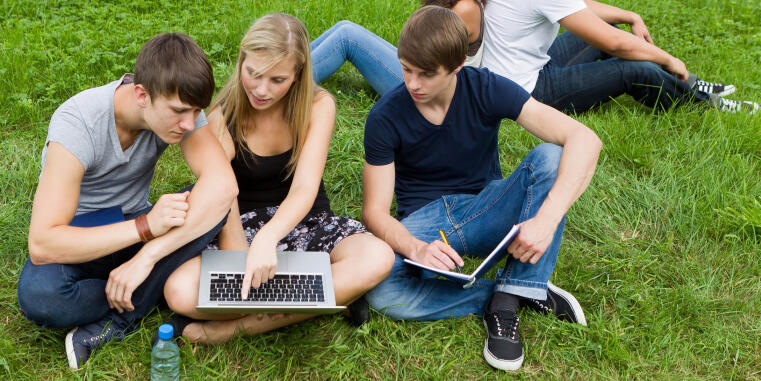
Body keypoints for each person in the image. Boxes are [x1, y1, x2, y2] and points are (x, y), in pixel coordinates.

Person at [362, 6, 601, 371]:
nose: (412, 83)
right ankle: (513, 291)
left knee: (552, 157)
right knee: (381, 291)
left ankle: (508, 299)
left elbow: (584, 139)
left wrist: (546, 221)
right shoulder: (384, 116)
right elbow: (374, 211)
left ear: (458, 65)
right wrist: (416, 248)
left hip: (488, 211)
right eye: (406, 68)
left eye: (426, 74)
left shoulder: (485, 87)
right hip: (428, 224)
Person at [159, 13, 395, 344]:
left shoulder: (318, 105)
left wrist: (269, 239)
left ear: (298, 74)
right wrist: (242, 257)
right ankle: (323, 299)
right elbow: (221, 193)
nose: (260, 89)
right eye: (252, 73)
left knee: (378, 258)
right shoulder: (222, 116)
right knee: (180, 292)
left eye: (277, 80)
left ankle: (227, 330)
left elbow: (304, 188)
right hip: (239, 222)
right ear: (242, 58)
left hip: (304, 220)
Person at [16, 33, 238, 369]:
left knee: (214, 204)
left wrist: (146, 257)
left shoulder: (180, 109)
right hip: (81, 233)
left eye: (196, 111)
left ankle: (119, 319)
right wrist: (146, 227)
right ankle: (155, 291)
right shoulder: (78, 122)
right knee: (41, 295)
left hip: (136, 230)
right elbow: (44, 242)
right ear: (141, 95)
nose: (189, 123)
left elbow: (223, 186)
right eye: (179, 111)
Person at [480, 0, 758, 113]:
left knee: (608, 30)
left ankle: (690, 84)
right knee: (632, 69)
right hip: (523, 92)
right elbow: (615, 44)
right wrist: (668, 58)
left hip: (522, 69)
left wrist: (630, 16)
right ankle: (705, 104)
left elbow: (580, 6)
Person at [310, 0, 487, 96]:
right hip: (422, 70)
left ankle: (294, 81)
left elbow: (429, 53)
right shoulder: (450, 3)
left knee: (348, 37)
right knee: (345, 26)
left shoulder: (465, 7)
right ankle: (292, 65)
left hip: (435, 88)